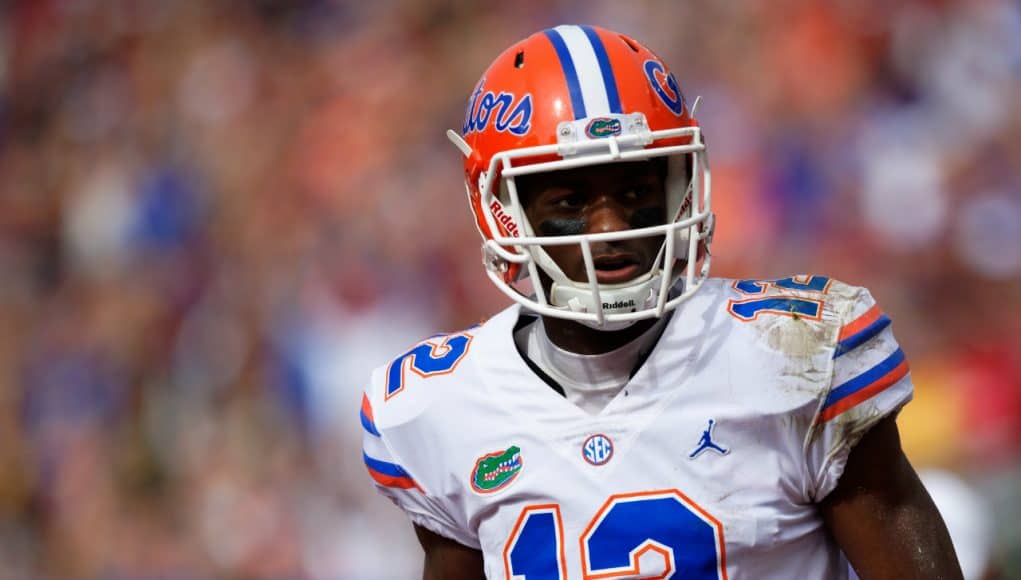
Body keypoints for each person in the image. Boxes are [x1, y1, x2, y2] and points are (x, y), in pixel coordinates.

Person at [360, 24, 963, 579]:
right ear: (503, 210)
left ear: (679, 184)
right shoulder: (440, 406)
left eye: (635, 190)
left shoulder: (795, 356)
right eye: (570, 199)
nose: (609, 228)